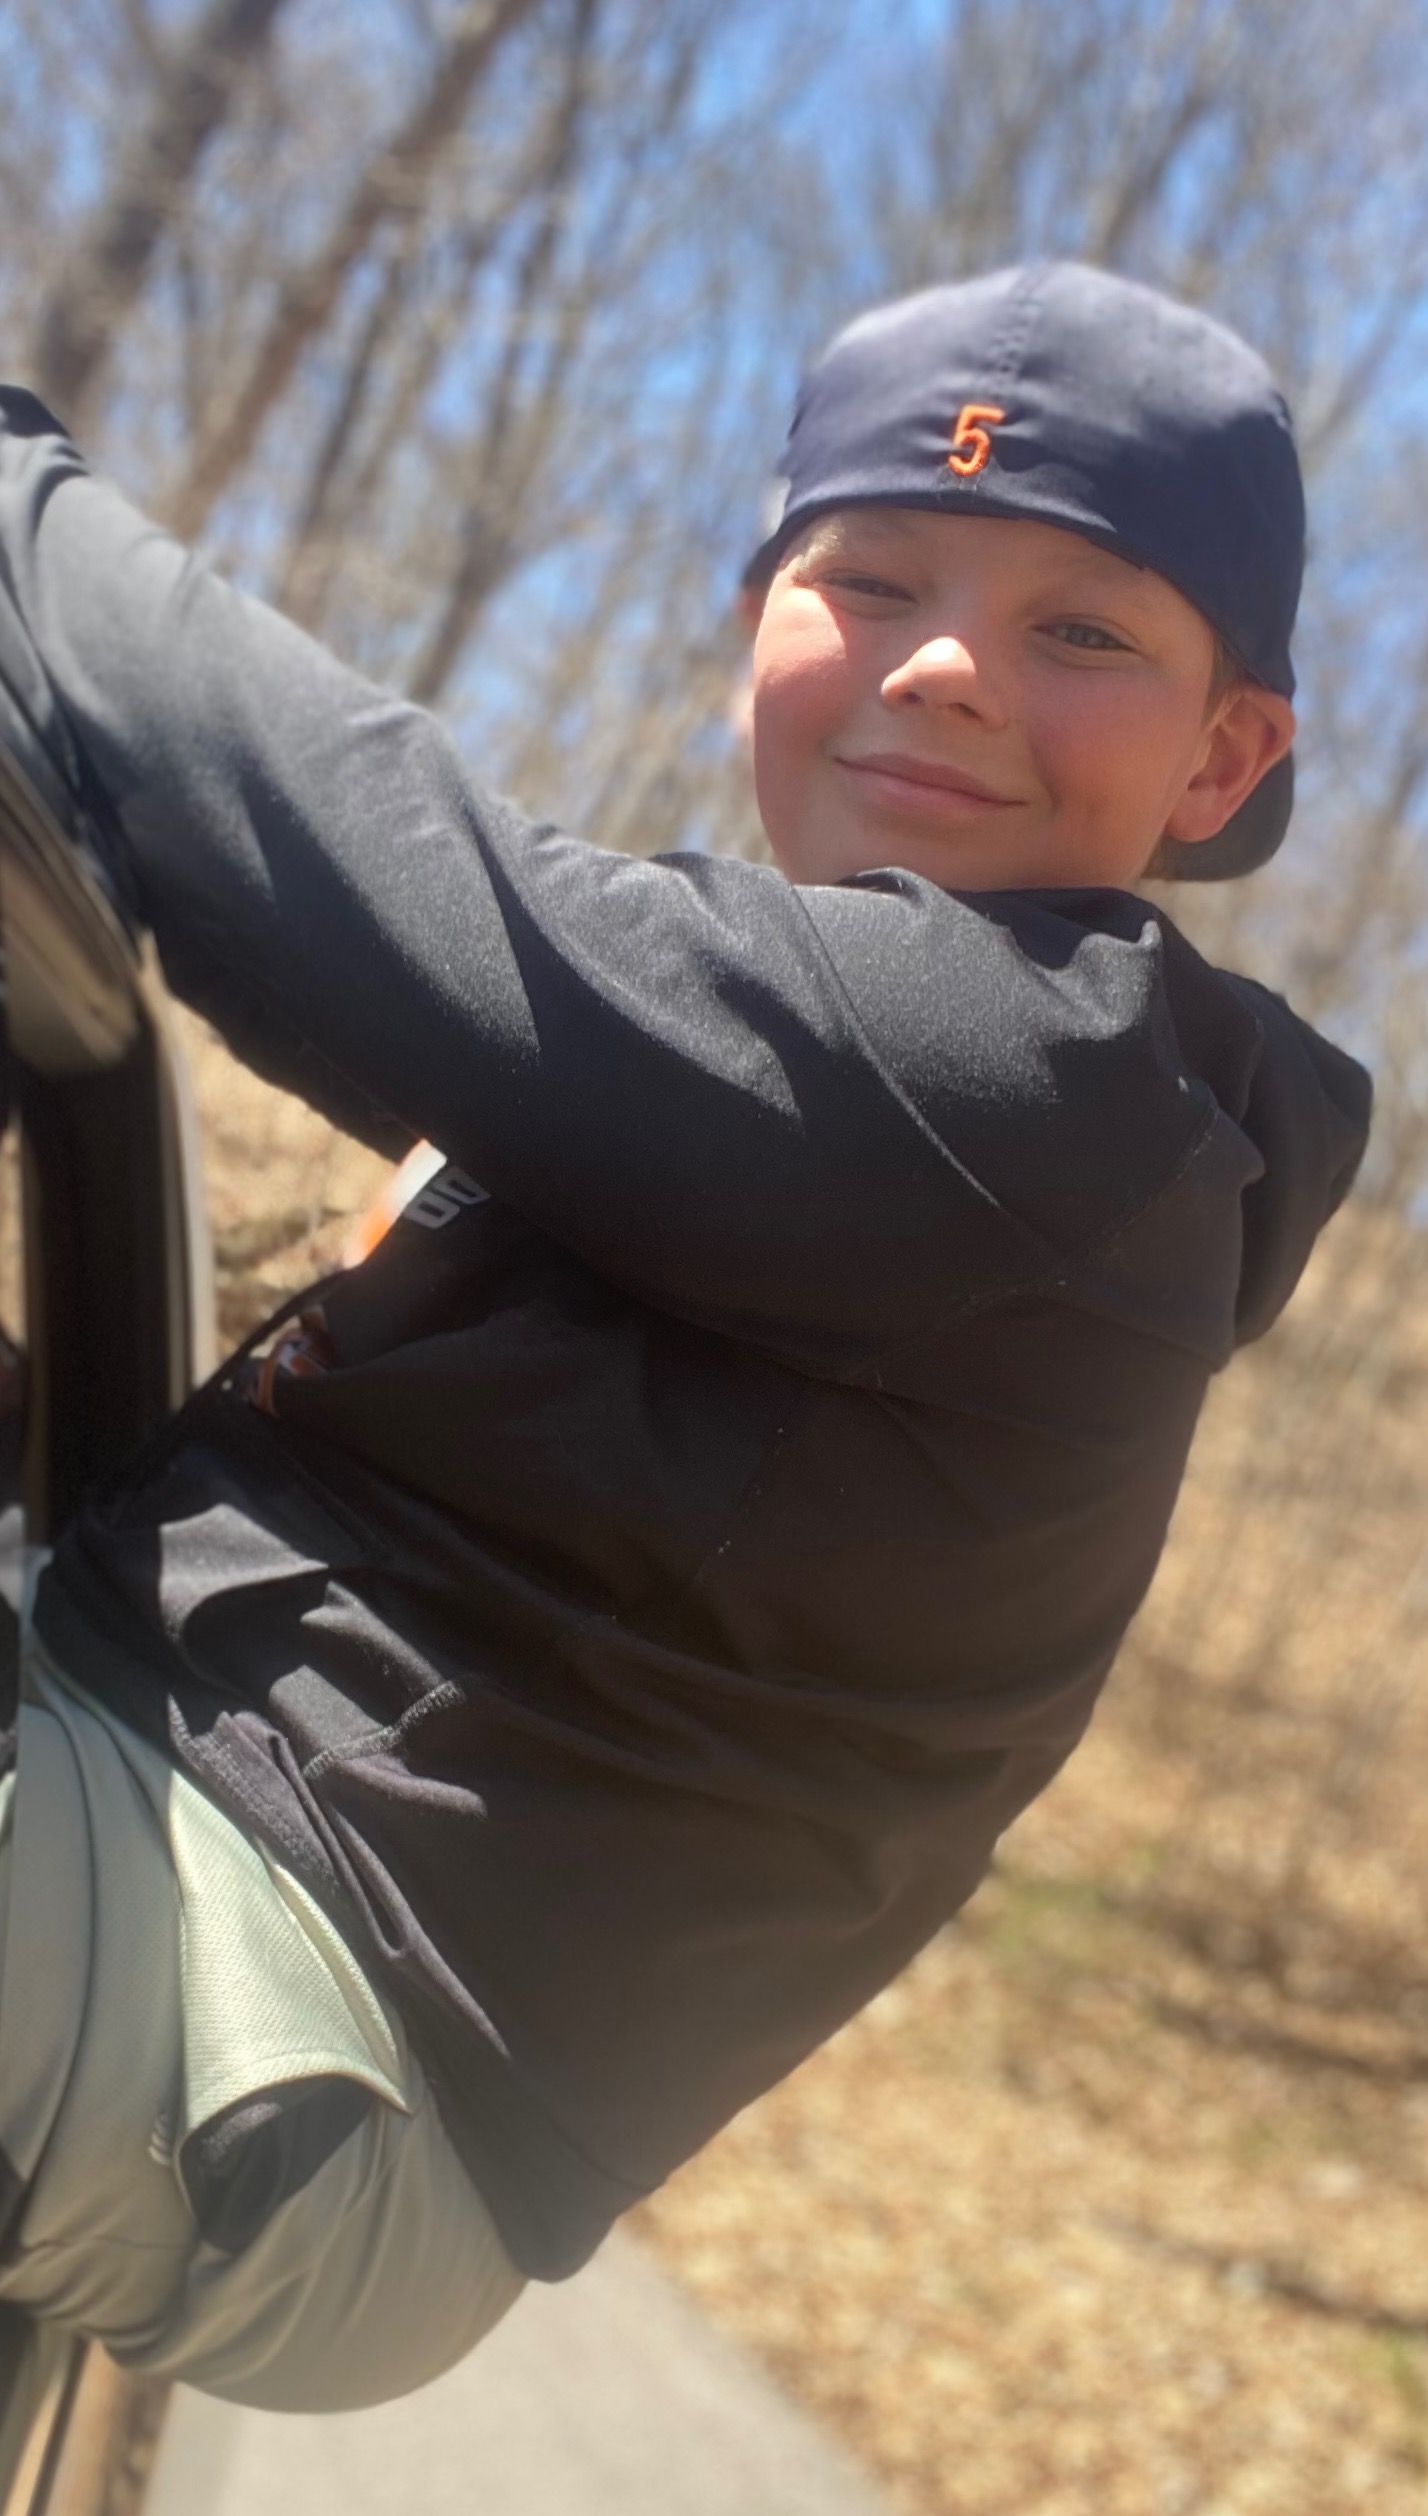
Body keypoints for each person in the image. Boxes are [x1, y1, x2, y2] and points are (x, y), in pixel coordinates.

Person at [0, 262, 1370, 2410]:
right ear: (758, 629)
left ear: (1224, 756)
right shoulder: (805, 1093)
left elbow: (369, 877)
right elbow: (332, 961)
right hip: (177, 1853)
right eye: (873, 577)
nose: (944, 664)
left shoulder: (1070, 1093)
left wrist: (19, 496)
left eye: (1084, 631)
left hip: (280, 2006)